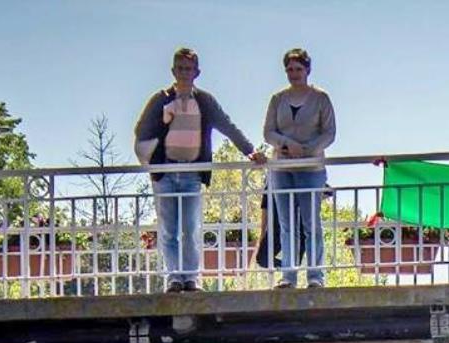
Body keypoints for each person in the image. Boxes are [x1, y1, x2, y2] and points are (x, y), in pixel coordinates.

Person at [134, 47, 266, 293]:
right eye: (181, 68)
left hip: (193, 172)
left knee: (191, 228)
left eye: (189, 69)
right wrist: (164, 118)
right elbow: (141, 131)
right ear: (174, 71)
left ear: (197, 72)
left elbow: (227, 126)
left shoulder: (204, 101)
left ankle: (191, 278)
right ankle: (174, 277)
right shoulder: (160, 99)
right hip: (165, 172)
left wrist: (249, 151)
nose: (185, 73)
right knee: (169, 229)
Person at [263, 48, 338, 288]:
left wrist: (307, 150)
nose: (294, 74)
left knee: (311, 223)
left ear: (307, 70)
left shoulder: (320, 98)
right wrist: (286, 144)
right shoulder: (278, 99)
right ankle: (288, 275)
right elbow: (268, 132)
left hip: (311, 169)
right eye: (290, 69)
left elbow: (329, 133)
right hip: (282, 168)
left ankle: (315, 276)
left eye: (298, 69)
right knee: (286, 224)